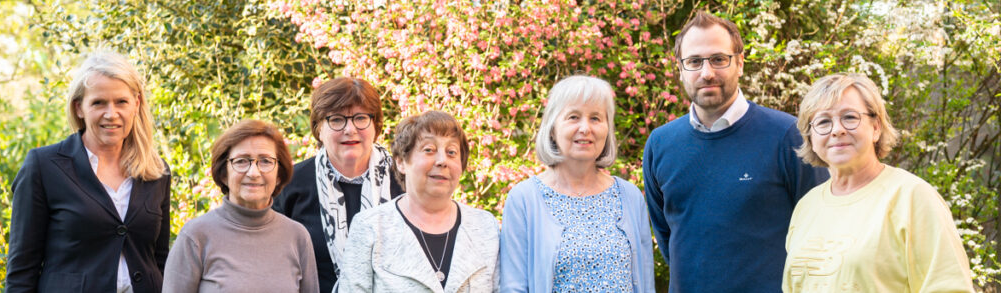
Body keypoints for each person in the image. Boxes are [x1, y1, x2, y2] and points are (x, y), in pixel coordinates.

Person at [642, 12, 829, 292]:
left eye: (719, 59)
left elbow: (821, 229)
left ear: (740, 63)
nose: (707, 73)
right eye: (694, 61)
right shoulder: (660, 144)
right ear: (680, 69)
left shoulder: (788, 135)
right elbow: (668, 238)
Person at [782, 73, 974, 292]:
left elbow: (949, 287)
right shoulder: (806, 207)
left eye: (850, 117)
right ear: (811, 138)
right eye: (824, 122)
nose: (837, 130)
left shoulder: (912, 197)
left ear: (876, 127)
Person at [6, 51, 171, 293]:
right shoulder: (44, 166)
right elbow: (22, 270)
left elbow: (160, 259)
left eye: (121, 102)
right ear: (79, 108)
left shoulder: (157, 171)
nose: (111, 114)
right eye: (98, 103)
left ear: (136, 104)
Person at [500, 75, 655, 293]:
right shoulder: (524, 199)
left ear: (607, 129)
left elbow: (645, 282)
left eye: (595, 118)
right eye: (573, 117)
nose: (585, 128)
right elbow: (513, 287)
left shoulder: (630, 196)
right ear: (553, 128)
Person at [340, 111, 499, 292]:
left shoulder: (485, 227)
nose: (442, 161)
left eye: (451, 152)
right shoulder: (370, 227)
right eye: (429, 150)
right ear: (401, 162)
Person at [273, 77, 404, 293]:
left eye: (360, 118)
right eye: (336, 120)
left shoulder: (404, 181)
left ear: (376, 125)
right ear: (319, 128)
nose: (350, 129)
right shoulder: (289, 183)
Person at [162, 119, 318, 292]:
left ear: (279, 174)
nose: (253, 173)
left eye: (265, 161)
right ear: (223, 174)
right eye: (242, 161)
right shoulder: (196, 236)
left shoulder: (297, 237)